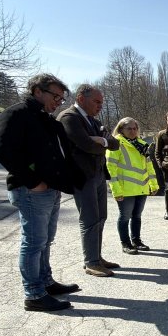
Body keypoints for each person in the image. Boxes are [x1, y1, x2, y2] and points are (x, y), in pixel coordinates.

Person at [0, 73, 85, 312]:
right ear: (37, 91)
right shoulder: (15, 114)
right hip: (30, 190)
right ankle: (33, 294)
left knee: (45, 240)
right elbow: (4, 152)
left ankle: (45, 282)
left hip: (49, 189)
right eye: (55, 96)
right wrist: (33, 181)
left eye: (62, 98)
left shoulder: (45, 118)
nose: (59, 102)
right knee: (33, 243)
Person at [56, 84, 120, 277]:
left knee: (101, 217)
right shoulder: (69, 118)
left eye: (101, 102)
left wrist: (102, 140)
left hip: (98, 174)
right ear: (81, 98)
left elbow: (115, 143)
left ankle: (97, 257)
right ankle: (91, 262)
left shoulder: (93, 120)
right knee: (90, 219)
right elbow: (86, 145)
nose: (100, 106)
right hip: (82, 177)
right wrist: (99, 142)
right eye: (97, 101)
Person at [107, 117, 159, 255]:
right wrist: (116, 190)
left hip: (141, 187)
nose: (133, 131)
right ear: (121, 129)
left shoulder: (141, 144)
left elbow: (149, 166)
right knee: (125, 217)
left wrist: (153, 184)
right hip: (125, 189)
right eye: (129, 128)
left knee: (137, 216)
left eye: (135, 128)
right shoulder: (116, 143)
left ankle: (136, 241)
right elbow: (110, 168)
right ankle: (126, 244)